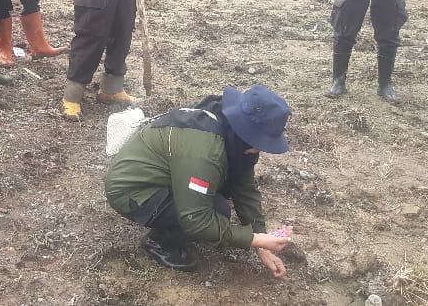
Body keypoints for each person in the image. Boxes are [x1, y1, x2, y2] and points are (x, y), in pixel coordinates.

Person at [104, 85, 293, 276]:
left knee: (212, 205)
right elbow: (196, 219)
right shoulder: (206, 151)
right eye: (262, 143)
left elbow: (244, 189)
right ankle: (159, 243)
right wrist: (254, 239)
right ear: (249, 134)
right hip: (132, 190)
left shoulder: (231, 134)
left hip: (164, 175)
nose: (261, 149)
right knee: (216, 210)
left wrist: (263, 243)